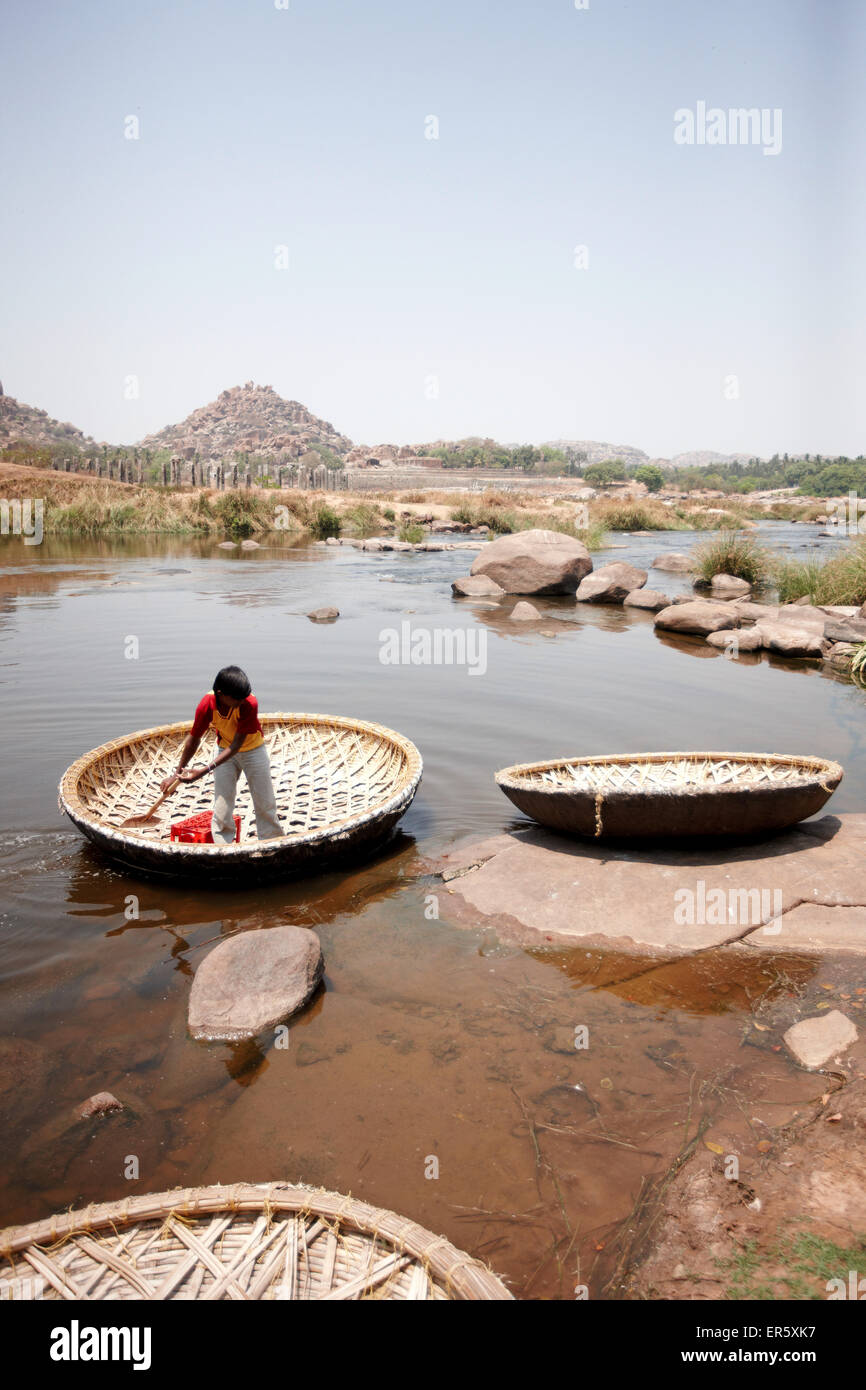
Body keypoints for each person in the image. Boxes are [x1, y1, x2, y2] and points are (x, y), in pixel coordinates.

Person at [161, 665, 284, 843]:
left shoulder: (249, 703)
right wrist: (176, 774)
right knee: (222, 805)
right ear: (221, 694)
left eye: (243, 698)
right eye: (237, 699)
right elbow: (193, 739)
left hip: (253, 750)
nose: (242, 701)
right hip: (224, 750)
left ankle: (272, 842)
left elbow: (236, 746)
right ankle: (223, 846)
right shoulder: (207, 705)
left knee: (265, 803)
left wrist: (203, 771)